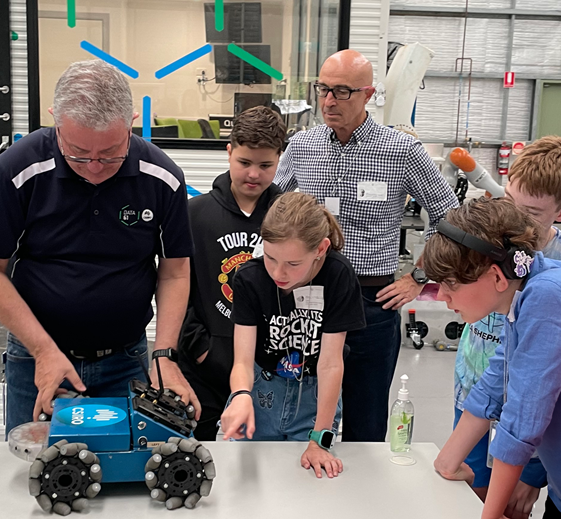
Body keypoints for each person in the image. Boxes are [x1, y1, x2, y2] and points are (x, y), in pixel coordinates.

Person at [0, 60, 199, 435]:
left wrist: (164, 354)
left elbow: (175, 271)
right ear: (55, 119)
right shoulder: (17, 169)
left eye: (110, 153)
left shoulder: (162, 177)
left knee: (129, 472)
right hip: (37, 357)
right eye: (77, 152)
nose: (93, 167)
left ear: (132, 122)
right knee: (39, 472)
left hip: (126, 358)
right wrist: (42, 350)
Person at [274, 49, 458, 442]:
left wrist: (419, 278)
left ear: (368, 94)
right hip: (307, 301)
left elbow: (449, 216)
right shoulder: (301, 148)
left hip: (370, 304)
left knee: (367, 420)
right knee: (295, 411)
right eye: (323, 89)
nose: (328, 101)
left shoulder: (401, 151)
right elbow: (273, 215)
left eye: (341, 91)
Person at [426, 197, 561, 519]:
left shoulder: (551, 298)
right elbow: (495, 383)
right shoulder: (527, 290)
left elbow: (524, 416)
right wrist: (449, 460)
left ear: (496, 277)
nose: (442, 296)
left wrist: (491, 517)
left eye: (450, 284)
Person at [452, 136, 561, 519]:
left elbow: (548, 386)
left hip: (523, 415)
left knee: (505, 506)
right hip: (473, 383)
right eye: (509, 202)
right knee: (467, 493)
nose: (513, 220)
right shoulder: (495, 234)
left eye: (530, 213)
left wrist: (532, 472)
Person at [220, 192, 366, 478]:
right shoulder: (249, 278)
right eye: (270, 258)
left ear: (321, 249)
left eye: (293, 264)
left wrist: (319, 438)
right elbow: (243, 361)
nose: (278, 272)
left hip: (315, 394)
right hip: (261, 388)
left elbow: (331, 364)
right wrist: (240, 395)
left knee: (306, 483)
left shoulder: (338, 276)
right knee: (242, 477)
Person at [178, 106, 286, 441]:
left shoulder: (289, 219)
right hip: (204, 367)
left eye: (265, 165)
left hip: (270, 369)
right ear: (228, 152)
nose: (254, 174)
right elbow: (176, 286)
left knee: (264, 465)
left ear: (280, 159)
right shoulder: (193, 214)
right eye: (244, 162)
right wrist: (200, 347)